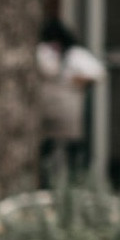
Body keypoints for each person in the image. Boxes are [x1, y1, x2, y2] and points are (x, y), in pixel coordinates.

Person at [37, 18, 106, 182]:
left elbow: (97, 73)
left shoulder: (75, 55)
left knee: (71, 148)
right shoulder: (43, 51)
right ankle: (46, 182)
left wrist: (74, 81)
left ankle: (74, 182)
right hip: (46, 109)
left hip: (68, 109)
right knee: (47, 148)